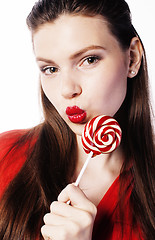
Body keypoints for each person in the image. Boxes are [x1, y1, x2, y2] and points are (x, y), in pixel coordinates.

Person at [0, 0, 154, 239]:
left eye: (89, 60)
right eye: (50, 69)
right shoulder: (5, 153)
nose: (66, 89)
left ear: (132, 58)